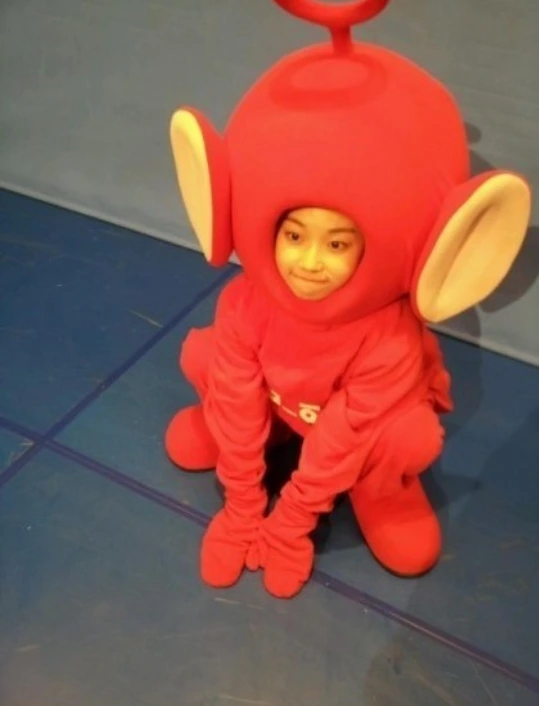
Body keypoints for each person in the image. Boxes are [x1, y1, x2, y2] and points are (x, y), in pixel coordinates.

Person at [164, 0, 532, 599]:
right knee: (206, 358)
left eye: (338, 243)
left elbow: (347, 432)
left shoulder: (388, 340)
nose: (310, 263)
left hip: (346, 438)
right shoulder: (245, 305)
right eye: (293, 236)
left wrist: (292, 520)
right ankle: (262, 439)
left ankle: (378, 489)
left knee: (407, 435)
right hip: (279, 406)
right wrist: (242, 501)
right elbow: (235, 391)